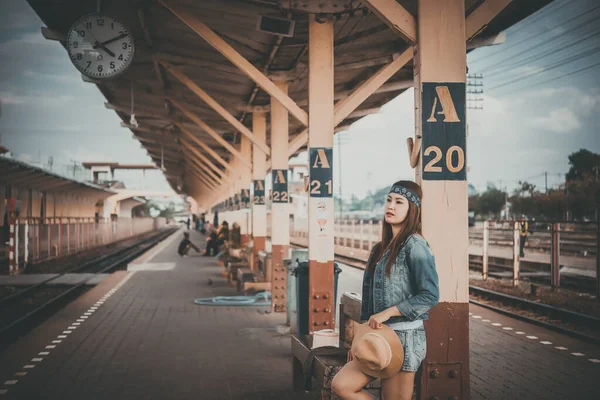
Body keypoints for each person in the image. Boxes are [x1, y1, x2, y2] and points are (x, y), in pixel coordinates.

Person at [331, 180, 439, 400]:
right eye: (389, 200)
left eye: (399, 202)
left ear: (412, 210)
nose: (391, 206)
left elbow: (430, 295)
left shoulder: (415, 245)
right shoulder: (379, 249)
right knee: (341, 385)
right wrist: (359, 339)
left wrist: (389, 312)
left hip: (404, 339)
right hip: (376, 338)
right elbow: (369, 300)